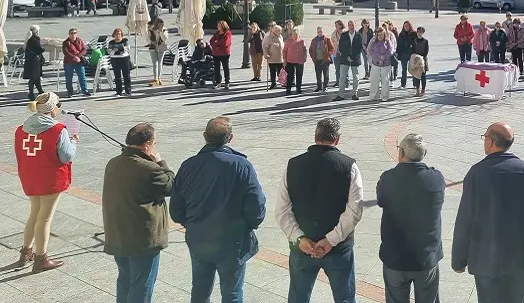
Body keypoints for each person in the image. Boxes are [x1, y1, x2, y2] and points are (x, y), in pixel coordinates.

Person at [170, 117, 266, 303]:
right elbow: (256, 206)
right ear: (230, 138)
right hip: (233, 242)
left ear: (205, 136)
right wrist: (249, 224)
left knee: (200, 290)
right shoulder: (241, 165)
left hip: (199, 239)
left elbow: (176, 210)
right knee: (232, 294)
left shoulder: (188, 165)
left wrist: (193, 224)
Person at [453, 123, 524, 303]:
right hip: (521, 258)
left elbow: (465, 219)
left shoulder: (477, 173)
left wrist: (459, 259)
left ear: (490, 142)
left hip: (485, 260)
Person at [275, 118, 363, 303]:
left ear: (315, 137)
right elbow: (355, 210)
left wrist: (299, 238)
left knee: (298, 297)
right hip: (338, 249)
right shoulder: (349, 166)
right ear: (337, 140)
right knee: (344, 298)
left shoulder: (293, 165)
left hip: (302, 247)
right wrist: (330, 240)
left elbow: (282, 210)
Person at [103, 123, 175, 302]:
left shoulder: (113, 163)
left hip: (118, 234)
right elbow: (171, 186)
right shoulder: (150, 168)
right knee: (142, 284)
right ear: (147, 145)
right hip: (143, 239)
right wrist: (160, 162)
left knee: (125, 280)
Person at [377, 133, 445, 303]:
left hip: (395, 258)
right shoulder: (436, 179)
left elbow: (381, 201)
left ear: (401, 153)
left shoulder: (388, 178)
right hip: (426, 258)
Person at [14, 92, 77, 272]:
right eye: (58, 104)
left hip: (30, 176)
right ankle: (41, 258)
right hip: (50, 178)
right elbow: (66, 156)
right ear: (52, 108)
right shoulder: (58, 129)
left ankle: (26, 252)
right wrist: (73, 143)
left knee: (34, 214)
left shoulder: (22, 128)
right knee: (45, 218)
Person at [335, 20, 363, 101]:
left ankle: (354, 94)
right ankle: (340, 94)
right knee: (342, 77)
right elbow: (341, 47)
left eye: (352, 25)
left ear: (355, 25)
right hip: (345, 58)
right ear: (348, 26)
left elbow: (359, 48)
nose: (351, 26)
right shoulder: (344, 35)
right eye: (349, 25)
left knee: (356, 77)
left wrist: (352, 56)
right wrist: (347, 56)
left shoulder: (359, 35)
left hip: (355, 59)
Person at [367, 27, 395, 102]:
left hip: (386, 64)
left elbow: (390, 51)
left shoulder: (388, 41)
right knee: (374, 80)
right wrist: (378, 58)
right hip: (375, 63)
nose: (380, 36)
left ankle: (384, 96)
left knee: (385, 81)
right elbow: (370, 51)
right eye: (378, 35)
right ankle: (373, 96)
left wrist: (383, 57)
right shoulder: (373, 42)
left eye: (381, 34)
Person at [62, 28, 90, 98]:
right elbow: (66, 52)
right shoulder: (66, 42)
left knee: (82, 77)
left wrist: (78, 56)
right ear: (69, 34)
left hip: (79, 62)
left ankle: (85, 91)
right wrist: (74, 57)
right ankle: (70, 92)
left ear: (76, 34)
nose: (73, 34)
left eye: (74, 33)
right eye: (71, 33)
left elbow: (84, 50)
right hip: (69, 62)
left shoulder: (80, 41)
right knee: (68, 78)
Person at [108, 28, 133, 97]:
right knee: (117, 76)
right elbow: (110, 52)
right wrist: (119, 49)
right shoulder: (111, 42)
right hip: (115, 60)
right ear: (114, 35)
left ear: (121, 35)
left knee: (126, 76)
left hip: (124, 59)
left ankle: (128, 91)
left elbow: (127, 49)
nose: (118, 36)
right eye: (116, 34)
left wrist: (117, 49)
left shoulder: (125, 41)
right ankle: (119, 91)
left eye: (119, 34)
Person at [283, 28, 308, 95]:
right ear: (292, 34)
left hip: (300, 60)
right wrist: (284, 59)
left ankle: (298, 88)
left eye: (296, 34)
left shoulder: (302, 41)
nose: (295, 36)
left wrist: (305, 57)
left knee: (299, 75)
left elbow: (305, 50)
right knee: (290, 76)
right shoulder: (288, 41)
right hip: (290, 60)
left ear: (299, 34)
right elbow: (284, 51)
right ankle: (288, 89)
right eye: (294, 34)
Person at [310, 27, 335, 92]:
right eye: (318, 32)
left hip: (325, 60)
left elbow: (332, 49)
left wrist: (328, 55)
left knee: (326, 74)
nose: (319, 33)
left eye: (321, 31)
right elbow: (311, 50)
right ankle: (319, 86)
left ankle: (325, 86)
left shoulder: (327, 39)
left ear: (323, 32)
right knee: (318, 74)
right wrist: (313, 57)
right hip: (317, 60)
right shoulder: (314, 40)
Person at [24, 25, 45, 101]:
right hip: (34, 61)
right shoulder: (34, 40)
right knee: (34, 77)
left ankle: (40, 91)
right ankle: (32, 93)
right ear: (36, 31)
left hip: (31, 60)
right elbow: (39, 50)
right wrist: (44, 48)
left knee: (36, 77)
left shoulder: (30, 39)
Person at [210, 20, 232, 90]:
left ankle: (227, 82)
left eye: (219, 25)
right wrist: (217, 44)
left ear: (223, 26)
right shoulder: (216, 34)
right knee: (216, 68)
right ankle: (217, 82)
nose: (218, 27)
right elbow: (211, 41)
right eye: (218, 25)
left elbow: (226, 43)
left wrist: (217, 42)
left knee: (226, 68)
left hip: (224, 54)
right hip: (216, 54)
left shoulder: (227, 33)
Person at [147, 18, 168, 87]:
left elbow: (164, 38)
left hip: (161, 46)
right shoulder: (151, 30)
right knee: (154, 63)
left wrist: (161, 32)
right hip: (153, 47)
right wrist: (151, 42)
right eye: (158, 25)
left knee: (160, 62)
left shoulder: (164, 30)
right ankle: (155, 78)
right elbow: (147, 39)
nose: (160, 26)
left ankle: (159, 77)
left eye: (161, 25)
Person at [263, 25, 285, 89]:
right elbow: (265, 47)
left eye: (280, 31)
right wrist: (266, 54)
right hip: (272, 58)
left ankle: (283, 83)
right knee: (272, 72)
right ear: (274, 31)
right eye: (278, 31)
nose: (280, 32)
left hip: (280, 58)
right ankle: (273, 83)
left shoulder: (281, 37)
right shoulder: (269, 38)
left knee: (281, 72)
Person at [397, 21, 417, 88]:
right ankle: (403, 84)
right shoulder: (401, 34)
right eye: (405, 26)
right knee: (404, 69)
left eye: (407, 26)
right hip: (403, 54)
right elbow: (399, 44)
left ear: (410, 26)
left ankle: (415, 84)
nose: (406, 27)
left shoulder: (414, 34)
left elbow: (415, 44)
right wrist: (398, 53)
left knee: (413, 69)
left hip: (411, 54)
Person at [412, 27, 430, 96]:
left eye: (421, 32)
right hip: (416, 59)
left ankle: (423, 90)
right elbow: (413, 50)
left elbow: (426, 51)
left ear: (423, 33)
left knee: (423, 75)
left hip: (423, 59)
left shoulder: (425, 41)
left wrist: (422, 57)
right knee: (416, 76)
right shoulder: (414, 41)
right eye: (418, 32)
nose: (419, 33)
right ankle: (417, 90)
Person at [331, 20, 345, 88]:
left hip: (343, 54)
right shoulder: (334, 33)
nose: (336, 26)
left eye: (337, 25)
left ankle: (346, 82)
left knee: (344, 68)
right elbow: (331, 43)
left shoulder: (345, 33)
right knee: (337, 68)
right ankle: (337, 81)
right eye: (335, 25)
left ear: (340, 25)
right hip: (336, 53)